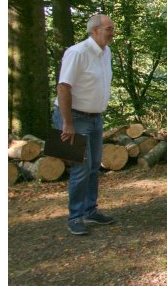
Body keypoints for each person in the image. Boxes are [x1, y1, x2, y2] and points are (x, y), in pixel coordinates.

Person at [52, 13, 117, 235]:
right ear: (95, 30)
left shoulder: (106, 52)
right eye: (109, 28)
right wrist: (67, 123)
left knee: (94, 165)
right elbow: (63, 87)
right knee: (80, 168)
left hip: (94, 117)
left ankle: (90, 210)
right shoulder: (77, 52)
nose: (112, 32)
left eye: (112, 28)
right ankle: (75, 217)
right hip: (74, 118)